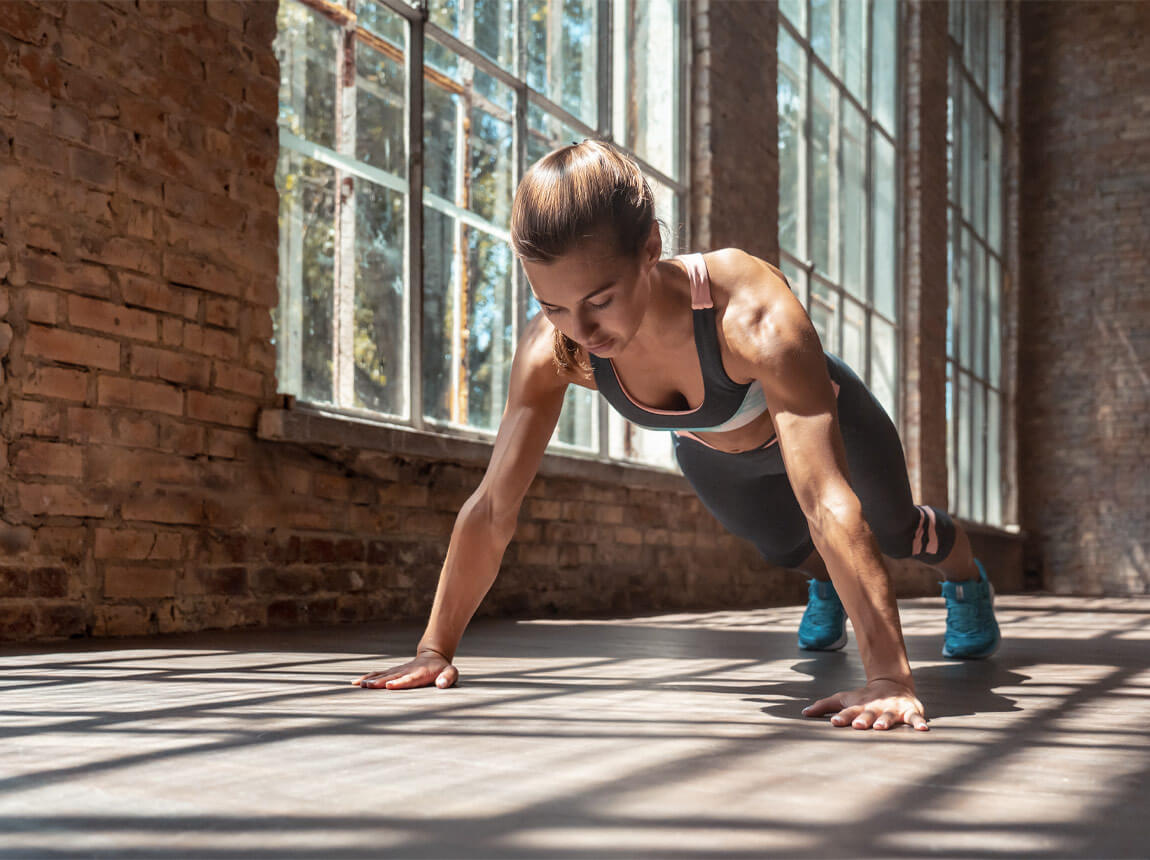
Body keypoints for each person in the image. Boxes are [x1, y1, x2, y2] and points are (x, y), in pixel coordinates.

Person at [354, 140, 1001, 732]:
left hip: (828, 425)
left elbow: (826, 496)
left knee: (887, 531)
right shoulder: (555, 346)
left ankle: (964, 575)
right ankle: (827, 584)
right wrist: (433, 648)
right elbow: (494, 505)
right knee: (786, 548)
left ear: (650, 248)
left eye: (600, 299)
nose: (580, 327)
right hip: (715, 452)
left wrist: (887, 677)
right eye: (553, 305)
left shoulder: (748, 310)